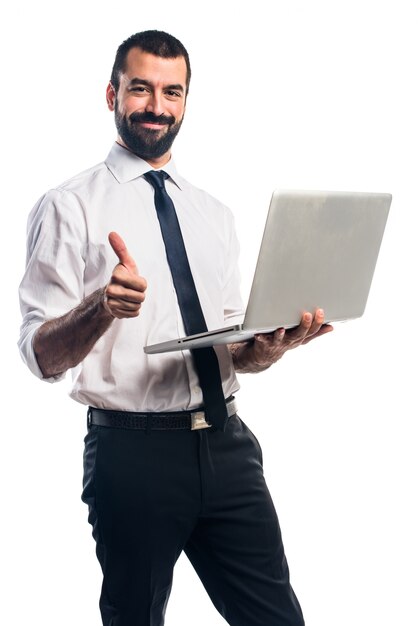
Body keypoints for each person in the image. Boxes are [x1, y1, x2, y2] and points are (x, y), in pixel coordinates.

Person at [18, 30, 333, 626]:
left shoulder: (212, 213)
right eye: (140, 88)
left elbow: (230, 347)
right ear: (112, 94)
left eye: (172, 92)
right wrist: (100, 308)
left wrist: (267, 347)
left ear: (186, 101)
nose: (157, 106)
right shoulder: (69, 206)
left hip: (229, 447)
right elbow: (39, 356)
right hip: (131, 455)